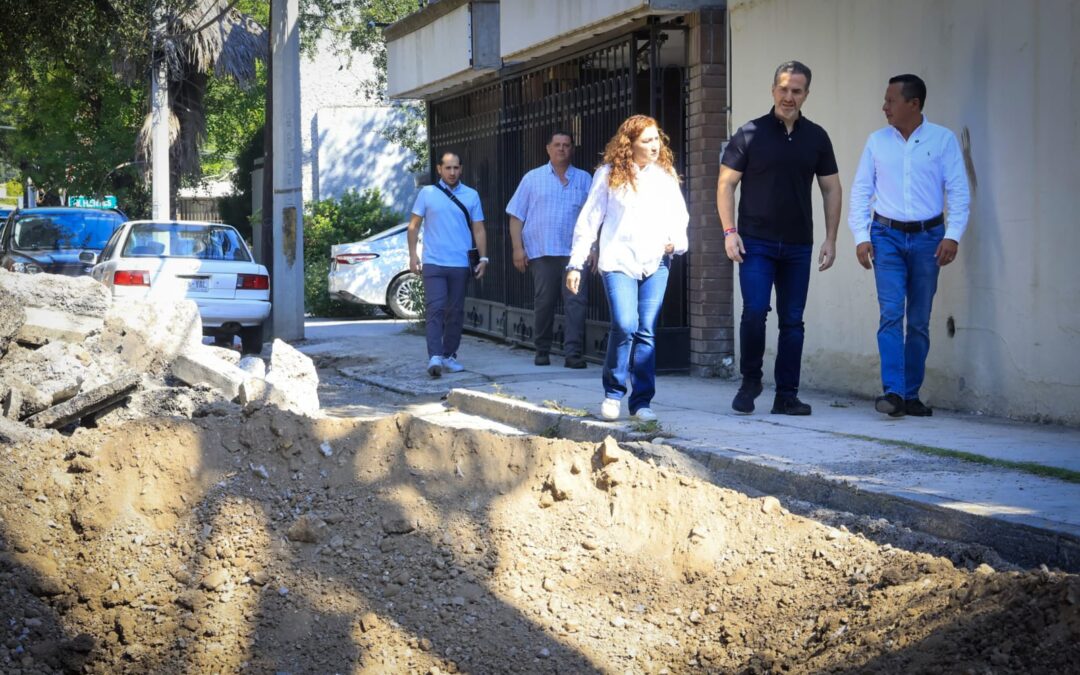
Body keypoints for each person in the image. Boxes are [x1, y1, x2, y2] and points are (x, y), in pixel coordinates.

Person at [718, 60, 842, 416]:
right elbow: (725, 183)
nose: (789, 96)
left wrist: (831, 239)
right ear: (773, 90)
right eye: (784, 89)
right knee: (755, 312)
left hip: (798, 245)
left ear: (806, 94)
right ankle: (750, 380)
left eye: (797, 91)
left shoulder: (816, 137)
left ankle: (786, 395)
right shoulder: (750, 133)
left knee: (792, 321)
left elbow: (831, 189)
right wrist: (730, 232)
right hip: (755, 241)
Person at [849, 74, 970, 417]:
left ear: (913, 104)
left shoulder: (942, 140)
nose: (884, 106)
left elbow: (959, 191)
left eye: (890, 100)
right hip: (885, 236)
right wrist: (861, 237)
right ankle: (894, 393)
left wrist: (952, 235)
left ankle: (911, 395)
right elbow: (861, 192)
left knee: (918, 319)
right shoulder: (876, 142)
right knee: (891, 314)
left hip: (929, 238)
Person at [566, 115, 688, 422]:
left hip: (656, 261)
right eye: (646, 140)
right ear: (629, 144)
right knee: (624, 323)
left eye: (656, 139)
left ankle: (642, 402)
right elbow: (590, 219)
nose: (654, 146)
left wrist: (677, 241)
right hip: (618, 259)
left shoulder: (665, 175)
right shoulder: (608, 174)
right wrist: (576, 263)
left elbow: (679, 214)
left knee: (646, 330)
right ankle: (613, 393)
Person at [506, 131, 594, 368]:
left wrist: (593, 248)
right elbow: (516, 216)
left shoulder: (585, 179)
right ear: (548, 149)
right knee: (544, 302)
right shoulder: (532, 178)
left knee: (576, 303)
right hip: (542, 252)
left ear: (572, 149)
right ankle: (542, 350)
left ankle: (573, 354)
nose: (562, 149)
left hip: (575, 253)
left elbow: (595, 218)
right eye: (557, 145)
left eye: (566, 145)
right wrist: (517, 248)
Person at [407, 151, 488, 378]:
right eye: (448, 168)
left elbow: (479, 228)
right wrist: (413, 256)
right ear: (439, 170)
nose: (452, 172)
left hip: (460, 263)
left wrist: (484, 258)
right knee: (436, 307)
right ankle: (434, 356)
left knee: (455, 311)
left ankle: (449, 356)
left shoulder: (471, 195)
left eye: (456, 168)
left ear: (461, 169)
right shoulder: (428, 193)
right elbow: (413, 226)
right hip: (433, 261)